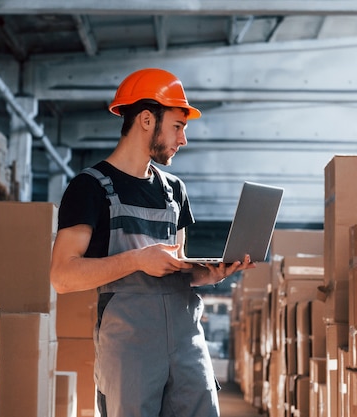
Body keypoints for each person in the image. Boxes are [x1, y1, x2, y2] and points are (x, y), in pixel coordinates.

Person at [50, 68, 255, 417]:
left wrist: (209, 274)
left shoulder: (174, 191)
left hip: (186, 335)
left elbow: (178, 265)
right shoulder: (90, 188)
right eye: (178, 126)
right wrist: (137, 259)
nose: (183, 139)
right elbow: (62, 276)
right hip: (130, 343)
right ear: (147, 120)